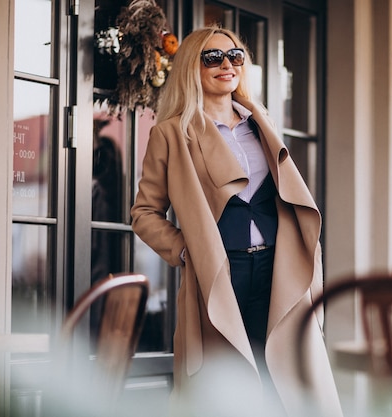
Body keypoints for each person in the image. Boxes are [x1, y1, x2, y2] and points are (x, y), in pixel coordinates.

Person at [131, 26, 342, 417]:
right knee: (228, 386)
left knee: (286, 378)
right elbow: (144, 213)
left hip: (278, 267)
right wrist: (184, 250)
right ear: (193, 67)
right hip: (221, 274)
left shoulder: (261, 121)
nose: (227, 65)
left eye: (235, 56)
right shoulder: (171, 134)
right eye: (213, 58)